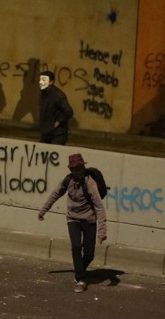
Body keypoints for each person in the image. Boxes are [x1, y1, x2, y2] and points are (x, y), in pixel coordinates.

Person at [37, 153, 107, 293]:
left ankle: (79, 269)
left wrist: (102, 231)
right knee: (76, 246)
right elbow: (55, 194)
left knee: (89, 255)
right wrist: (43, 211)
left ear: (83, 167)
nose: (79, 171)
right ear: (71, 170)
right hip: (73, 219)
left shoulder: (90, 183)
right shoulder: (67, 181)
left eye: (81, 168)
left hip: (89, 220)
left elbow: (99, 207)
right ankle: (80, 279)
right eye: (75, 169)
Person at [38, 70, 74, 145]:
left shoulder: (58, 95)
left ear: (51, 82)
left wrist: (57, 122)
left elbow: (69, 112)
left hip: (58, 135)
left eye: (44, 80)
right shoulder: (43, 94)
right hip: (46, 133)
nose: (40, 82)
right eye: (40, 80)